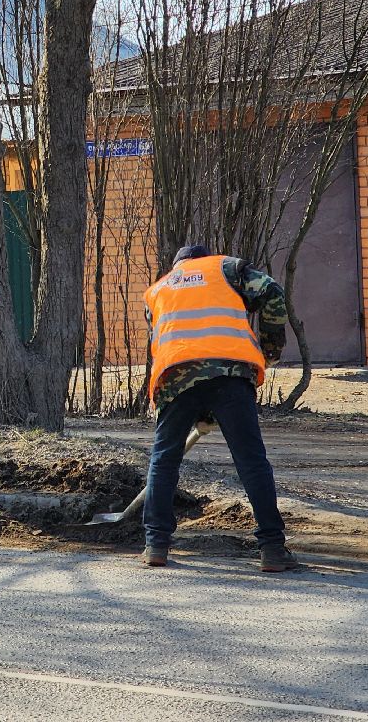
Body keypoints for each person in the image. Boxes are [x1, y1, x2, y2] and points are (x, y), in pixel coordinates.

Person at [141, 244, 297, 573]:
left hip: (175, 378)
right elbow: (272, 292)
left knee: (163, 459)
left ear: (177, 266)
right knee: (251, 460)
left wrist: (185, 403)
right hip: (230, 375)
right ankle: (272, 548)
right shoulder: (225, 270)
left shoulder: (158, 290)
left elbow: (164, 341)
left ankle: (155, 544)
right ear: (203, 259)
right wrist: (270, 351)